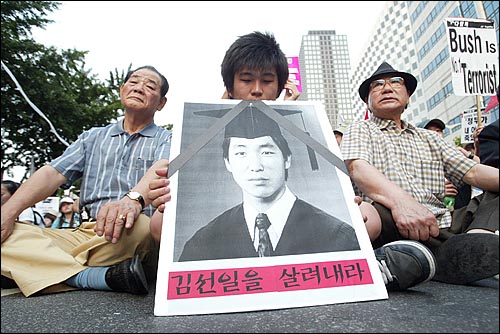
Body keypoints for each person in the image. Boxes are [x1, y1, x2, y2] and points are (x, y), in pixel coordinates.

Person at [149, 31, 437, 292]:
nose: (258, 90)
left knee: (366, 219)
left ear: (287, 158)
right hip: (228, 240)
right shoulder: (206, 127)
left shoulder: (303, 121)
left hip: (314, 221)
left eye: (267, 80)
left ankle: (364, 267)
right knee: (161, 224)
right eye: (246, 80)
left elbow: (338, 172)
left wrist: (344, 199)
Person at [1, 65, 171, 297]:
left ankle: (36, 267)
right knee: (7, 232)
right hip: (84, 233)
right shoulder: (92, 137)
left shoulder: (167, 139)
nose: (139, 88)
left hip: (128, 235)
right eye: (133, 82)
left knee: (140, 226)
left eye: (150, 86)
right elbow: (52, 173)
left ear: (161, 103)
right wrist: (9, 211)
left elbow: (162, 167)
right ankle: (91, 277)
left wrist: (132, 200)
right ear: (122, 90)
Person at [341, 61, 499, 285]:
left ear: (408, 96)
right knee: (364, 213)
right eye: (377, 85)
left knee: (494, 193)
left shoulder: (430, 138)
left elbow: (473, 173)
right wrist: (402, 203)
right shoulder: (361, 129)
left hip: (442, 222)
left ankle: (476, 241)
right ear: (368, 101)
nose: (386, 88)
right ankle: (431, 256)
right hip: (391, 219)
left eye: (396, 82)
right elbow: (357, 167)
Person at [179, 106, 360, 261]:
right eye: (241, 153)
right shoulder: (204, 242)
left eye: (266, 152)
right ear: (227, 163)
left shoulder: (337, 235)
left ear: (287, 158)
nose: (256, 167)